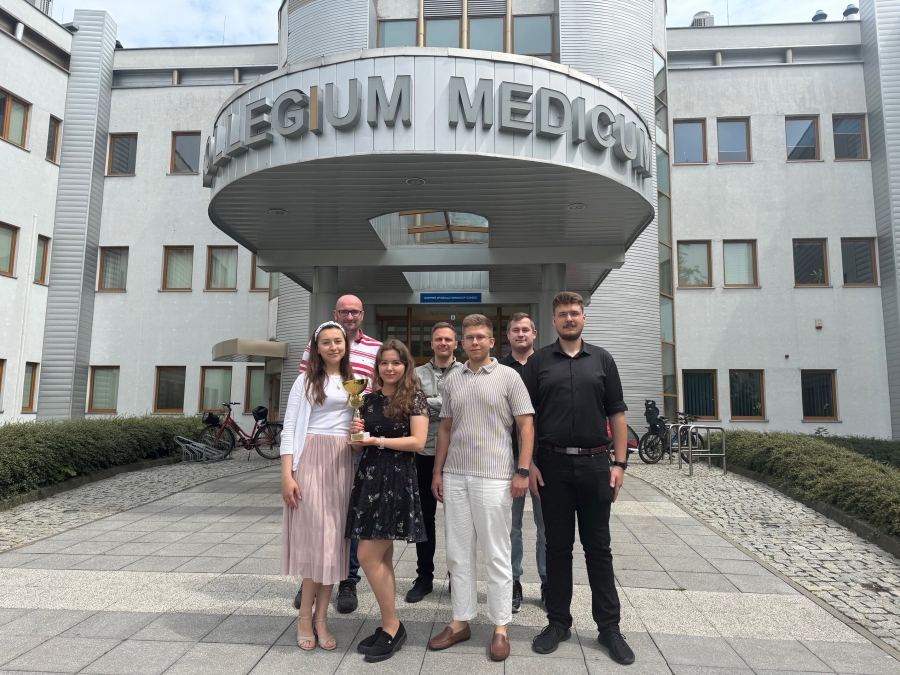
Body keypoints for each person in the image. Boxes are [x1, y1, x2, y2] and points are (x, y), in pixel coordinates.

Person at [522, 292, 635, 665]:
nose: (569, 318)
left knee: (598, 548)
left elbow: (617, 413)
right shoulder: (538, 362)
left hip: (595, 466)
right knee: (556, 548)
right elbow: (526, 418)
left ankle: (609, 628)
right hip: (551, 466)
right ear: (553, 321)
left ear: (583, 318)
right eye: (562, 314)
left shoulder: (602, 360)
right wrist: (529, 463)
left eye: (574, 313)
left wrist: (620, 464)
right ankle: (558, 622)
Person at [430, 314, 535, 662]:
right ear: (462, 343)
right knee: (458, 553)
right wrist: (438, 471)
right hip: (455, 475)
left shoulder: (509, 377)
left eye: (481, 337)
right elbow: (445, 429)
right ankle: (460, 621)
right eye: (469, 337)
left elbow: (526, 426)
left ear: (492, 341)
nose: (475, 342)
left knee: (496, 553)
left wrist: (522, 470)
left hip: (494, 477)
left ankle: (500, 626)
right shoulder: (453, 380)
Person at [295, 295, 381, 613]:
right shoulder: (316, 345)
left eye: (355, 311)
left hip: (357, 439)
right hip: (320, 445)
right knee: (317, 515)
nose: (349, 316)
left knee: (350, 514)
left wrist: (369, 425)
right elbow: (306, 392)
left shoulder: (376, 348)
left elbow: (379, 389)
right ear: (335, 314)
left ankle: (348, 579)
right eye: (344, 311)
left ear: (362, 314)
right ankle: (312, 577)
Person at [346, 340, 429, 663]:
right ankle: (388, 625)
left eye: (396, 362)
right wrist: (355, 434)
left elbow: (418, 442)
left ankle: (392, 626)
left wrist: (377, 440)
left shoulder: (415, 398)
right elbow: (358, 447)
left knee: (367, 555)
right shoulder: (367, 400)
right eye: (384, 363)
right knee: (383, 558)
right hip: (368, 479)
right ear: (377, 367)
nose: (389, 368)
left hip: (396, 481)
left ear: (405, 366)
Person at [280, 321, 355, 651]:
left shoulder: (355, 381)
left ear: (345, 345)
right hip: (311, 457)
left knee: (334, 544)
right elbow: (289, 428)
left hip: (342, 460)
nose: (333, 347)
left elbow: (355, 423)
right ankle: (304, 618)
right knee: (316, 544)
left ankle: (322, 618)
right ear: (317, 348)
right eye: (326, 342)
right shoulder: (305, 380)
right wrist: (287, 475)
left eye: (338, 341)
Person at [406, 322, 464, 603]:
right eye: (438, 339)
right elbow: (409, 405)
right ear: (431, 344)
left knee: (459, 521)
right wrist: (447, 404)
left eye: (448, 339)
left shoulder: (466, 372)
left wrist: (428, 403)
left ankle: (457, 578)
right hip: (423, 455)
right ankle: (424, 577)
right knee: (424, 520)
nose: (443, 343)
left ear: (456, 344)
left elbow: (463, 407)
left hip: (458, 457)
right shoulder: (415, 374)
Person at [498, 312, 546, 612]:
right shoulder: (499, 369)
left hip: (546, 458)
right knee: (511, 527)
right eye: (515, 330)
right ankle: (513, 581)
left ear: (534, 333)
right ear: (508, 335)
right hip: (508, 458)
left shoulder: (547, 365)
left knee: (546, 527)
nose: (520, 334)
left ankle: (548, 582)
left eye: (525, 329)